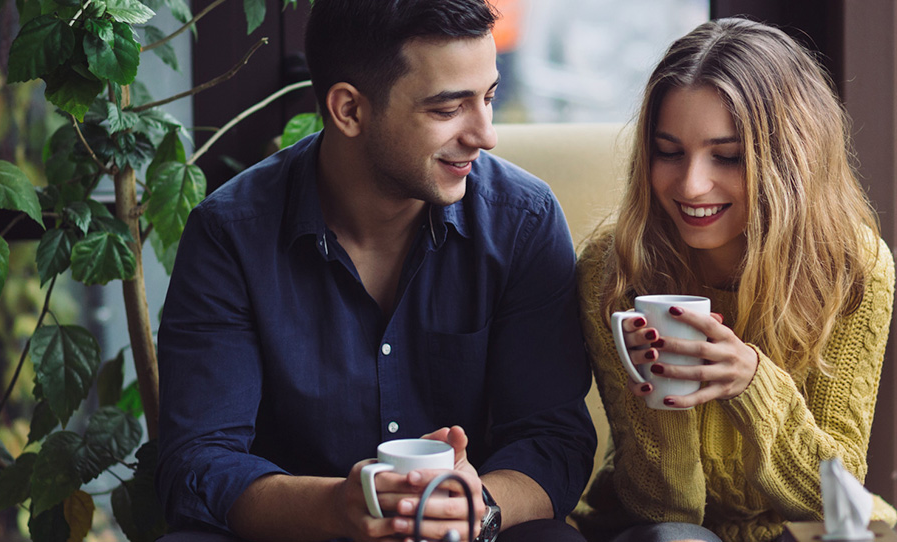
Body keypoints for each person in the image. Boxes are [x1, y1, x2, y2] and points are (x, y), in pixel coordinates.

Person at [155, 1, 596, 541]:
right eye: (447, 109)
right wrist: (335, 507)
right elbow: (198, 461)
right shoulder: (231, 235)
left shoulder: (522, 222)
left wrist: (473, 507)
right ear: (349, 110)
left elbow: (552, 439)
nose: (485, 135)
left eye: (488, 98)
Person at [568, 18, 897, 542]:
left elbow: (831, 500)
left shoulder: (851, 269)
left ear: (790, 161)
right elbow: (664, 509)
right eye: (669, 152)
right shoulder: (616, 265)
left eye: (728, 157)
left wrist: (752, 383)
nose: (692, 185)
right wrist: (665, 398)